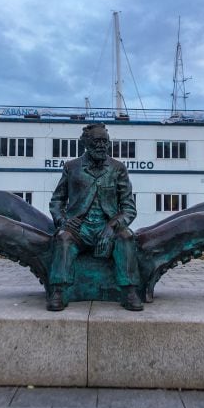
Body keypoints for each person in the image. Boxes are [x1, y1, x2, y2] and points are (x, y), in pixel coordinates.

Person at [48, 122, 142, 311]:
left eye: (105, 142)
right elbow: (57, 202)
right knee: (63, 239)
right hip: (79, 228)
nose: (101, 146)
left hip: (107, 226)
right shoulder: (71, 167)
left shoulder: (118, 168)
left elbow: (129, 208)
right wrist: (64, 221)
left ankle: (130, 290)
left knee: (127, 237)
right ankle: (59, 290)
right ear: (86, 143)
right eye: (96, 141)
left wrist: (112, 226)